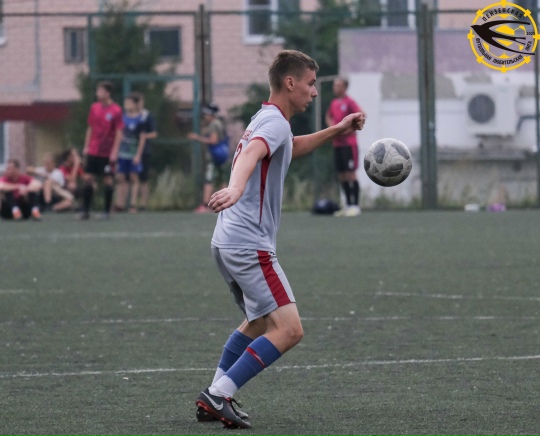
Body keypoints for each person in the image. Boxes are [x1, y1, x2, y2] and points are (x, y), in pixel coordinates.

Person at [194, 50, 365, 429]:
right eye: (310, 84)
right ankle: (219, 394)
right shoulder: (272, 124)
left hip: (227, 240)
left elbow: (289, 147)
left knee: (258, 322)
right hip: (248, 245)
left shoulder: (269, 119)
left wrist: (337, 129)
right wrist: (236, 187)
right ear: (290, 83)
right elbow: (253, 153)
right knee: (289, 330)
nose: (314, 92)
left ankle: (214, 395)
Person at [80, 81, 124, 220]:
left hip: (106, 151)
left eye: (101, 91)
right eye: (97, 90)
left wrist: (115, 151)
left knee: (107, 179)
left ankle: (106, 212)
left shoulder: (116, 110)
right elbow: (90, 127)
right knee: (88, 178)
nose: (98, 93)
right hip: (94, 150)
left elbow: (119, 131)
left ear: (108, 93)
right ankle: (85, 211)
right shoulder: (94, 107)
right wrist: (86, 146)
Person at [325, 77, 364, 217]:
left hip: (349, 144)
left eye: (338, 85)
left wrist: (350, 128)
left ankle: (355, 206)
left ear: (344, 87)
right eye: (334, 85)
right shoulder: (334, 103)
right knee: (341, 175)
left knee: (350, 174)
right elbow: (328, 116)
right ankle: (347, 206)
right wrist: (332, 128)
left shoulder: (349, 102)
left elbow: (362, 114)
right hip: (337, 144)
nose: (335, 88)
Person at [188, 103, 230, 213]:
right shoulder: (219, 123)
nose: (205, 116)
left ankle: (205, 205)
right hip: (222, 155)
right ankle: (226, 204)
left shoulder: (214, 124)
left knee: (209, 179)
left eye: (206, 114)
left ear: (211, 114)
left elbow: (213, 140)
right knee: (222, 180)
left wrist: (197, 137)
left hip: (214, 156)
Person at [114, 93, 147, 213]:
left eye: (129, 103)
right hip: (122, 152)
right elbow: (118, 134)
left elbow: (142, 138)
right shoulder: (122, 118)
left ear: (135, 104)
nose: (126, 105)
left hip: (133, 152)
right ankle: (120, 204)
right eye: (125, 103)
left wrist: (138, 154)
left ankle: (133, 205)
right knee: (120, 177)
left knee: (133, 177)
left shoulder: (140, 119)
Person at [136, 93, 157, 211]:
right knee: (129, 178)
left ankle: (143, 204)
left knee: (143, 178)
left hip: (144, 152)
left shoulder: (147, 116)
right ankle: (129, 204)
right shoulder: (129, 116)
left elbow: (154, 133)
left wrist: (144, 136)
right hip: (130, 151)